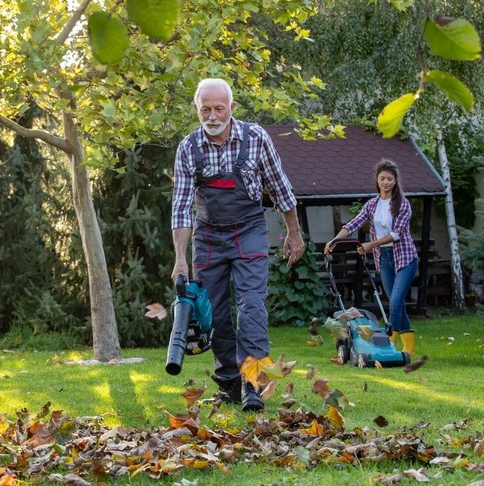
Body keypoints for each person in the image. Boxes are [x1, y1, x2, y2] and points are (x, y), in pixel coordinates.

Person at [171, 78, 305, 412]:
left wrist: (294, 233)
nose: (212, 115)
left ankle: (252, 383)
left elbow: (279, 187)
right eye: (206, 109)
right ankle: (229, 382)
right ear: (196, 109)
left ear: (232, 108)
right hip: (209, 235)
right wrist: (180, 259)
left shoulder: (256, 138)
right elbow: (182, 207)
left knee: (252, 305)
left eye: (219, 108)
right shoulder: (188, 149)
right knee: (212, 312)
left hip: (248, 230)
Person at [324, 159, 418, 355]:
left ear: (395, 181)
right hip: (384, 258)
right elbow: (352, 225)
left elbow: (396, 234)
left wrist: (369, 244)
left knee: (395, 302)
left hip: (405, 258)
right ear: (377, 180)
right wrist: (333, 241)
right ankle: (408, 346)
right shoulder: (372, 205)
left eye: (389, 179)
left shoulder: (403, 204)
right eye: (382, 178)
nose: (386, 182)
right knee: (396, 301)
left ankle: (389, 342)